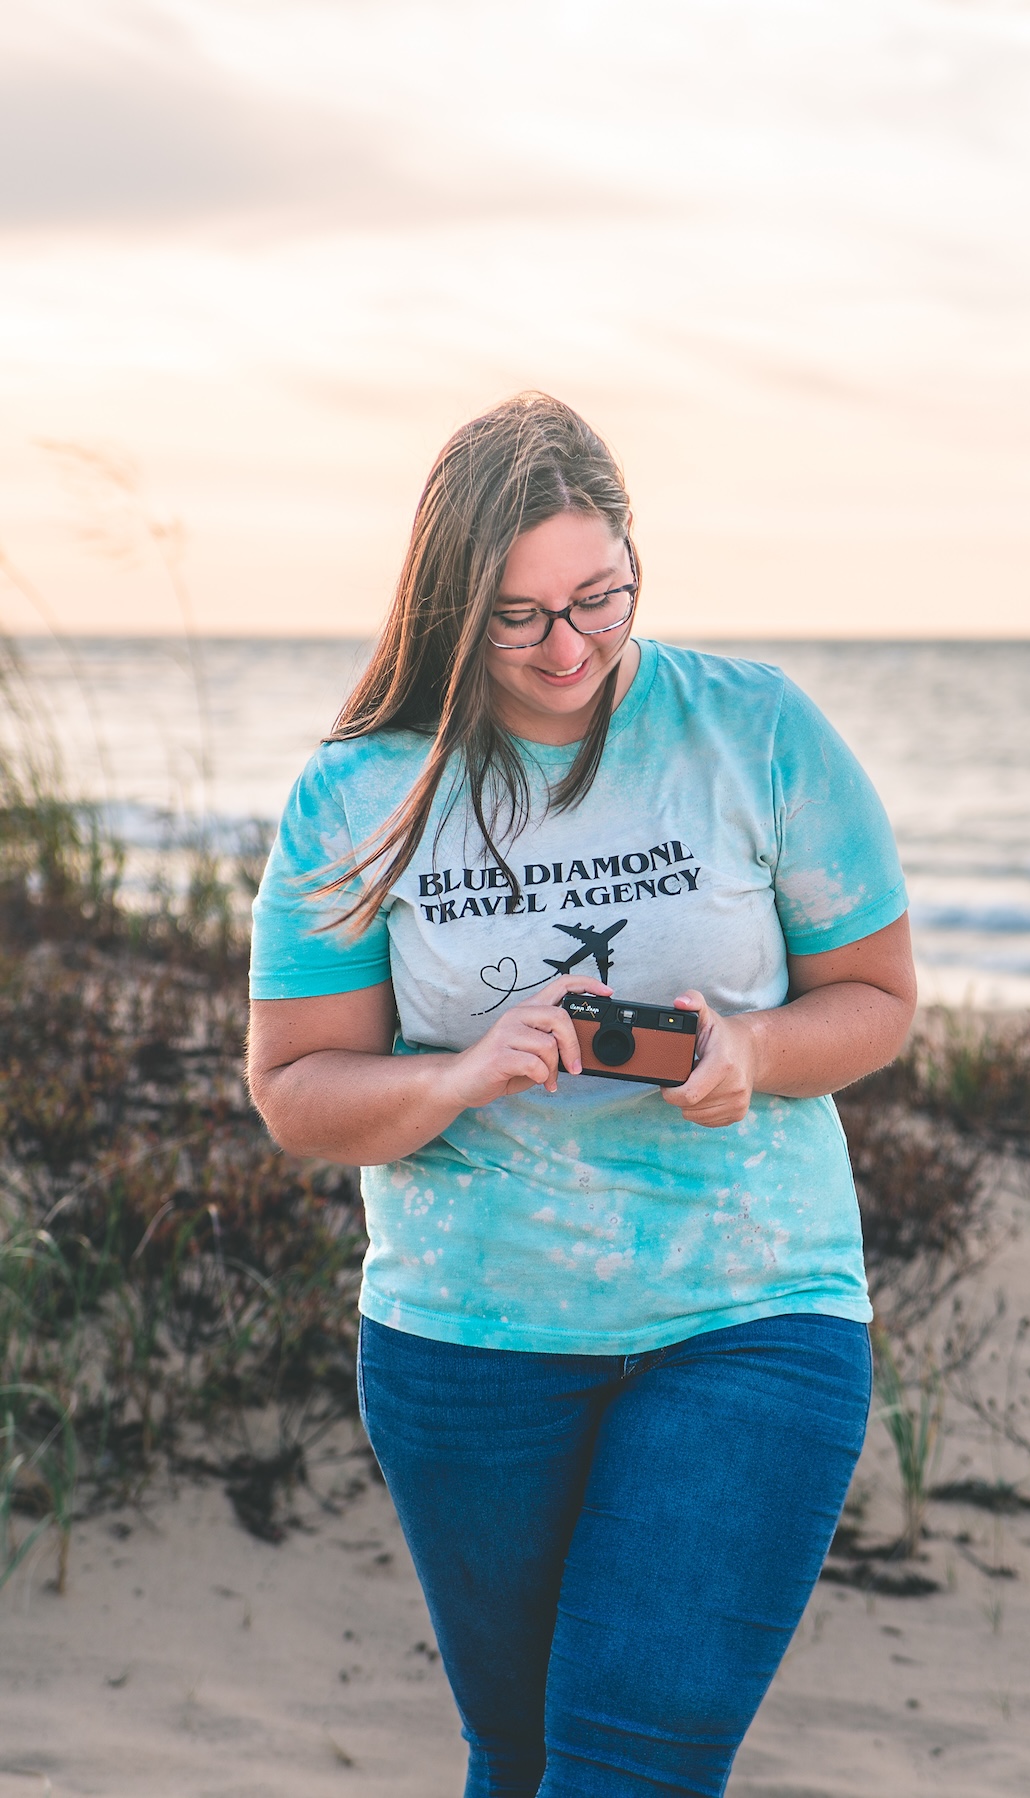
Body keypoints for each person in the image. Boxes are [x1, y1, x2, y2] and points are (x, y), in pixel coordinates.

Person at [247, 392, 916, 1798]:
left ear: (633, 560)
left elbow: (879, 997)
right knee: (523, 1756)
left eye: (599, 600)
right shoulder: (357, 792)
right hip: (466, 1340)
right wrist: (461, 1070)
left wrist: (749, 1052)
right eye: (519, 616)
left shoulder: (758, 731)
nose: (568, 649)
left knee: (628, 1769)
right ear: (449, 605)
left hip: (751, 1310)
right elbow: (298, 1091)